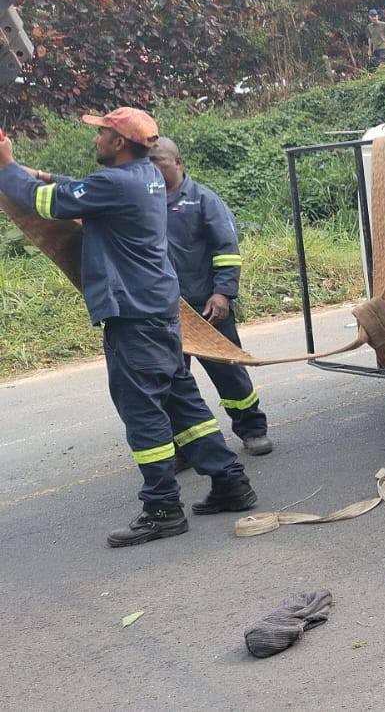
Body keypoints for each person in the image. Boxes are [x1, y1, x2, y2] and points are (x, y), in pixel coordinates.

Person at [0, 108, 257, 547]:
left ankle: (162, 509)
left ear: (119, 143)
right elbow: (75, 187)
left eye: (101, 132)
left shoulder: (116, 184)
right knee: (181, 401)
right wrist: (35, 171)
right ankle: (231, 481)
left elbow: (50, 202)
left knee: (142, 411)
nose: (96, 139)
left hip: (133, 315)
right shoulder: (146, 177)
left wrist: (6, 167)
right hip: (157, 311)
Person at [148, 137, 273, 456]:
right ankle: (186, 446)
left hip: (207, 309)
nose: (153, 167)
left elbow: (227, 250)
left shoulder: (203, 200)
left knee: (228, 371)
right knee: (173, 381)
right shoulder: (144, 203)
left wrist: (222, 293)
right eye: (147, 162)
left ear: (178, 162)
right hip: (166, 313)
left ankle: (252, 429)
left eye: (159, 160)